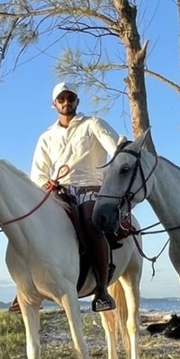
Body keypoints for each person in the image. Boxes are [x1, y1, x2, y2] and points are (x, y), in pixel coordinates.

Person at [30, 82, 121, 312]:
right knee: (30, 223)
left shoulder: (93, 124)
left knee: (92, 225)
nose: (66, 102)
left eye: (70, 98)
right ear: (54, 104)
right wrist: (45, 183)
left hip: (91, 187)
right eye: (61, 99)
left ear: (77, 101)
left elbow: (118, 149)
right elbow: (38, 172)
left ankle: (101, 288)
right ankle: (27, 286)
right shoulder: (46, 137)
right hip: (59, 191)